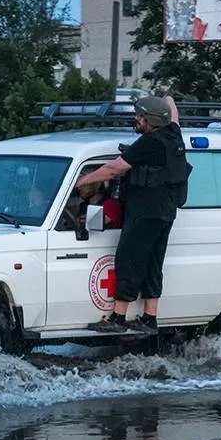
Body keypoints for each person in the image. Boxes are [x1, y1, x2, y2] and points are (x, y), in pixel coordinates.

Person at [74, 94, 191, 334]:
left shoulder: (150, 143)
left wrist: (84, 180)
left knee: (129, 259)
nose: (137, 120)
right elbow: (173, 112)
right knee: (152, 263)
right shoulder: (174, 134)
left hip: (145, 212)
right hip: (165, 213)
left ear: (150, 121)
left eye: (140, 117)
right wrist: (167, 98)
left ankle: (118, 318)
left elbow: (114, 169)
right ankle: (150, 319)